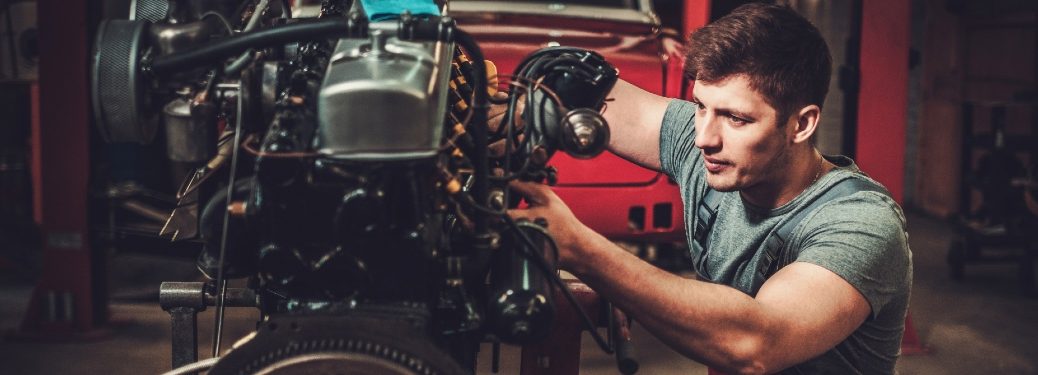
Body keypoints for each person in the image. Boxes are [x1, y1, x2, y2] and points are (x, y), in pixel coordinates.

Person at [507, 3, 912, 374]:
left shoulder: (861, 224)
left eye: (737, 118)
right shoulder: (716, 149)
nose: (703, 138)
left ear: (801, 124)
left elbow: (755, 344)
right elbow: (579, 90)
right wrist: (512, 114)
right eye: (701, 106)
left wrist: (579, 248)